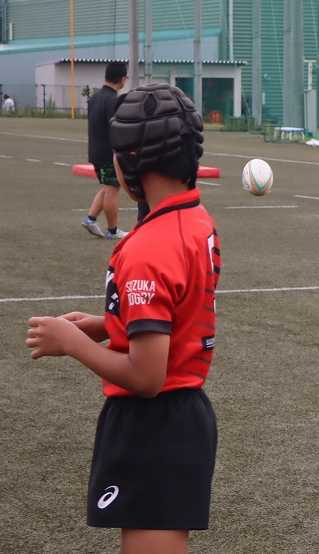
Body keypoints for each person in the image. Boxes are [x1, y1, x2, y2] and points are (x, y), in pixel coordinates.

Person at [26, 83, 220, 552]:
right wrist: (106, 324)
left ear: (131, 162)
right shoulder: (196, 219)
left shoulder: (148, 248)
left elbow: (147, 376)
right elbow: (178, 310)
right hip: (181, 417)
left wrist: (72, 343)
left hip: (154, 424)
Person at [82, 62, 129, 240]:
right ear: (122, 79)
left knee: (108, 187)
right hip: (109, 153)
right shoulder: (113, 100)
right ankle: (112, 230)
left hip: (95, 151)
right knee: (112, 189)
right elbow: (116, 128)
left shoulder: (94, 98)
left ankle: (90, 219)